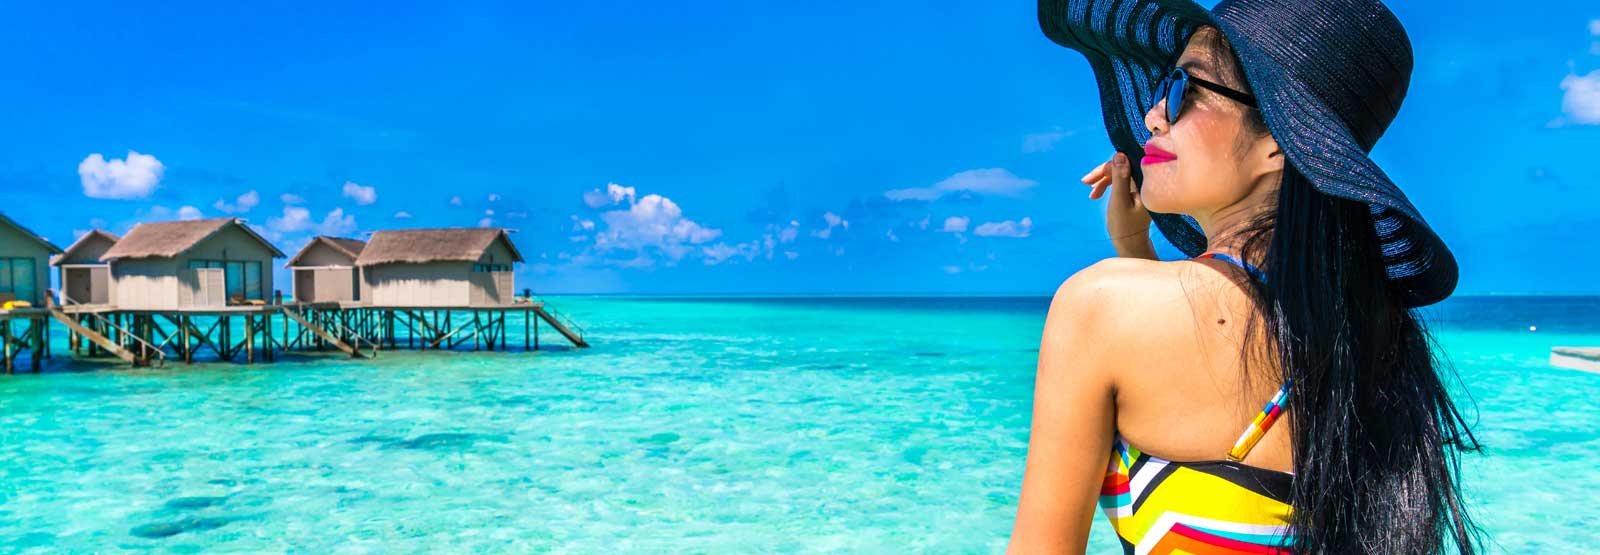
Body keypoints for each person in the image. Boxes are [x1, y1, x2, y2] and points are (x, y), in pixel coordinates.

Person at [1006, 1, 1481, 553]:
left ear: (1279, 140)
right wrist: (1135, 248)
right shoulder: (1367, 346)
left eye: (1185, 90)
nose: (1155, 116)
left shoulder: (1100, 307)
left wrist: (1130, 258)